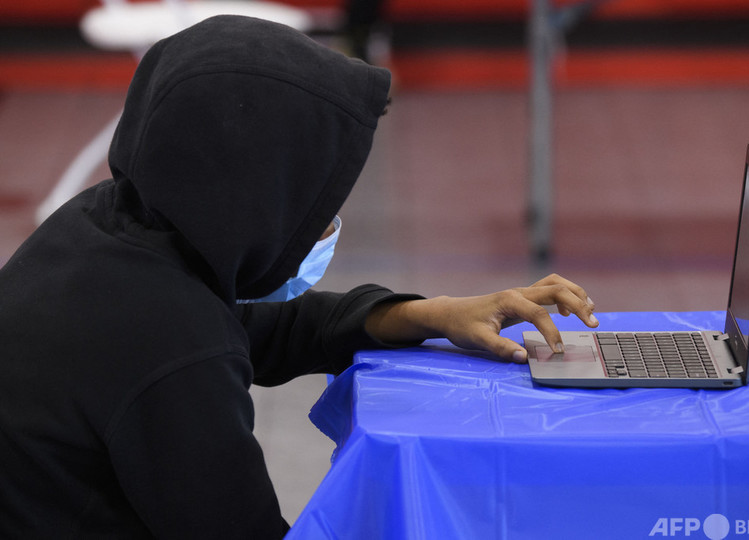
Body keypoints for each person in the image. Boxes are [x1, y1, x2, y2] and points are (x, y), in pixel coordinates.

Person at [0, 15, 597, 538]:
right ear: (256, 198)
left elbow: (262, 328)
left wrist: (434, 314)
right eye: (315, 209)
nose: (327, 227)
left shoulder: (110, 224)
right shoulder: (171, 349)